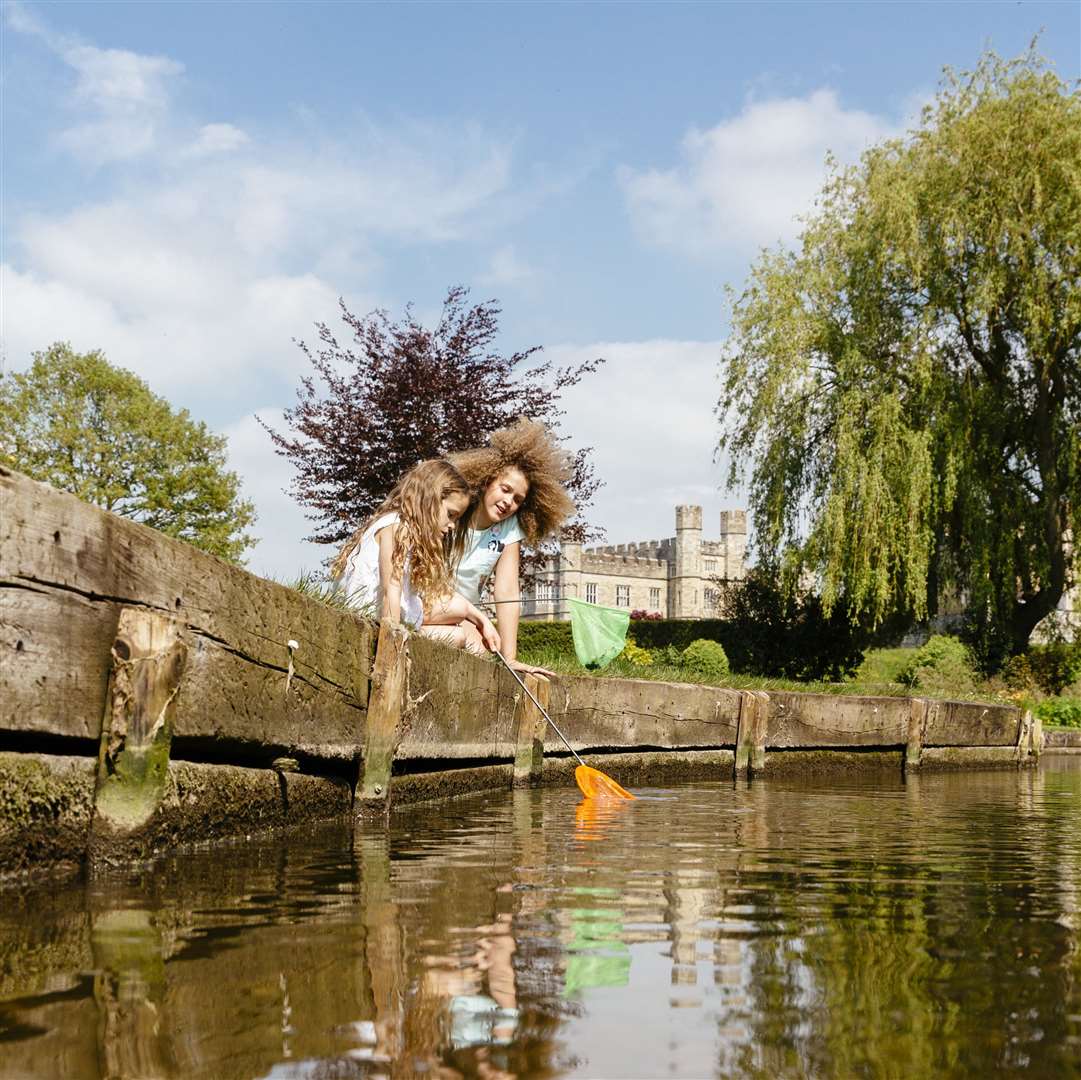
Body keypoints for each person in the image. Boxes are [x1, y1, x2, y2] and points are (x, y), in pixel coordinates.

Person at [331, 459, 500, 653]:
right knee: (458, 631)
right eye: (450, 514)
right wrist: (390, 648)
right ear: (430, 500)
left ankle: (480, 623)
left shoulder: (406, 529)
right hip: (370, 617)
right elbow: (390, 593)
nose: (452, 525)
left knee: (460, 623)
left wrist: (483, 620)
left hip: (384, 614)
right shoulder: (397, 527)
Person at [449, 418, 575, 674]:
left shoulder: (509, 529)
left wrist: (510, 656)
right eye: (505, 489)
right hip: (430, 602)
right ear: (487, 482)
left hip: (463, 613)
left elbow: (506, 591)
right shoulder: (455, 511)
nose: (508, 501)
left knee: (486, 657)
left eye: (518, 499)